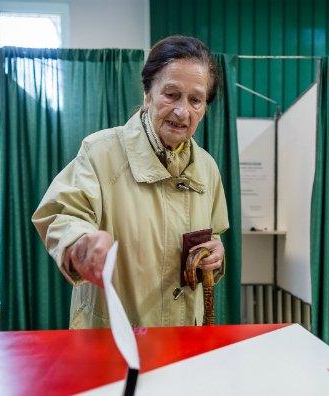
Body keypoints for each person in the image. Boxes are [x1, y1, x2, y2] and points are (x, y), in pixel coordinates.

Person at [32, 36, 229, 329]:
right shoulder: (100, 152)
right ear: (148, 93)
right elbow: (63, 215)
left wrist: (216, 254)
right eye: (171, 94)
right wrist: (81, 244)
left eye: (195, 100)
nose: (182, 111)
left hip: (185, 335)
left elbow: (214, 237)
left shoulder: (207, 168)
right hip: (113, 337)